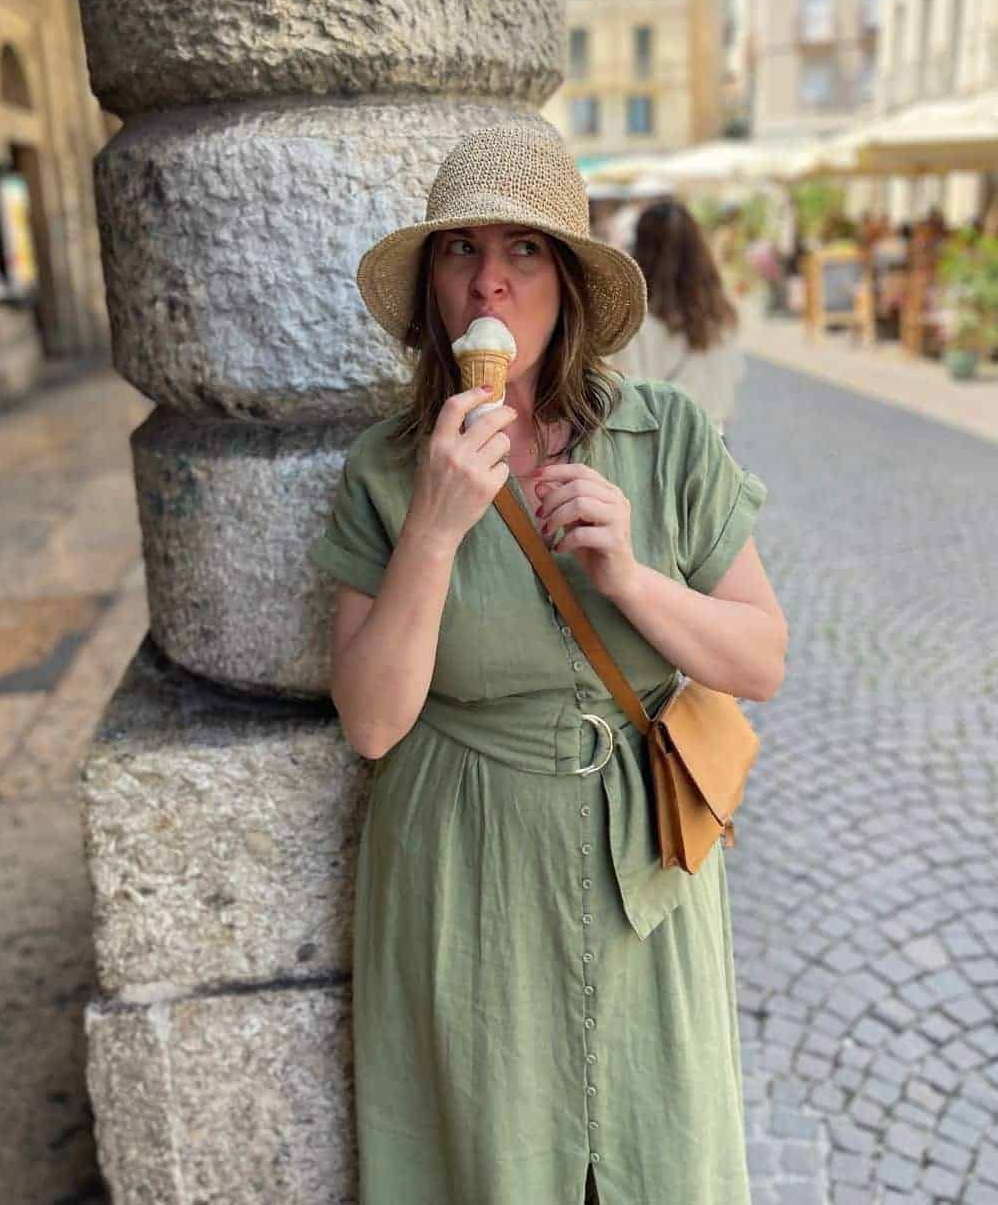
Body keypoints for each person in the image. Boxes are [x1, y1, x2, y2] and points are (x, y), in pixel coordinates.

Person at [308, 122, 788, 1205]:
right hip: (463, 867)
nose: (490, 280)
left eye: (523, 251)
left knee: (656, 1150)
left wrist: (631, 578)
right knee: (490, 1162)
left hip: (644, 870)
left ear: (567, 279)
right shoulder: (387, 469)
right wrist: (434, 528)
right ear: (431, 283)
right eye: (458, 249)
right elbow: (373, 724)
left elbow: (760, 658)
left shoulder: (665, 436)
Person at [608, 195, 745, 436]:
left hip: (663, 451)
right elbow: (731, 385)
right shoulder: (722, 313)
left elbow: (629, 401)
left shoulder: (635, 321)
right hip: (716, 445)